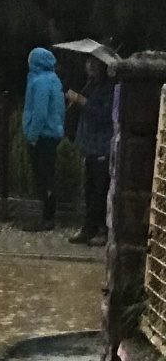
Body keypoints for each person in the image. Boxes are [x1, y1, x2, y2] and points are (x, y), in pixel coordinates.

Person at [65, 54, 113, 244]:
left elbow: (103, 116)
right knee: (90, 188)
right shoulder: (91, 85)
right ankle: (89, 228)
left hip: (102, 144)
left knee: (100, 190)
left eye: (94, 62)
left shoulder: (108, 88)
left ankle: (99, 230)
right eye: (88, 62)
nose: (90, 66)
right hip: (89, 145)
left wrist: (83, 102)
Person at [22, 47, 65, 230]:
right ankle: (47, 216)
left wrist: (32, 135)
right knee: (48, 175)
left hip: (41, 136)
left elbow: (39, 112)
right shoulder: (54, 80)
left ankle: (45, 218)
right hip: (53, 134)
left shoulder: (39, 82)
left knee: (42, 178)